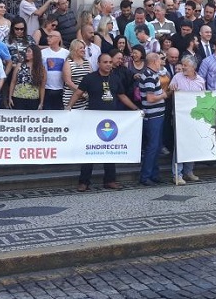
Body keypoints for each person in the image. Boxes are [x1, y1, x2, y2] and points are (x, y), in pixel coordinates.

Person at [68, 53, 137, 191]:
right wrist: (69, 106)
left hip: (111, 120)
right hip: (93, 119)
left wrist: (135, 109)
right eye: (105, 62)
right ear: (98, 63)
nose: (108, 64)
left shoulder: (116, 78)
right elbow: (78, 92)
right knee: (89, 150)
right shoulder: (90, 78)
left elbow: (121, 95)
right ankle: (84, 181)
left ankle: (110, 180)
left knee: (110, 151)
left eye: (110, 62)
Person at [168, 55, 206, 184]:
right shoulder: (177, 77)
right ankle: (177, 174)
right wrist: (171, 88)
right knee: (179, 145)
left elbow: (204, 98)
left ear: (193, 67)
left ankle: (188, 171)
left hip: (194, 118)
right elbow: (170, 89)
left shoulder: (201, 80)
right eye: (182, 65)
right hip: (180, 118)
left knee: (193, 145)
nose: (183, 67)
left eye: (185, 65)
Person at [139, 52, 168, 186]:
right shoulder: (149, 76)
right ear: (154, 61)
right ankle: (146, 176)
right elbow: (150, 98)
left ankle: (154, 174)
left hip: (157, 115)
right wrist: (164, 95)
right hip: (153, 116)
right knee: (152, 146)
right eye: (160, 59)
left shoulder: (152, 75)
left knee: (155, 146)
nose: (162, 62)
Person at [9, 44, 46, 110]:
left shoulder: (41, 69)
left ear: (35, 53)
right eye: (26, 51)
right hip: (18, 97)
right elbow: (13, 81)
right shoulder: (19, 65)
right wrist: (10, 97)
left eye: (29, 51)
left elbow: (42, 86)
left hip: (33, 99)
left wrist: (41, 102)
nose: (26, 53)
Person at [40, 32, 69, 110]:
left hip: (61, 88)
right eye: (48, 36)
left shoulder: (66, 53)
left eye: (51, 36)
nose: (48, 38)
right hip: (46, 88)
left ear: (58, 38)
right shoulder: (42, 53)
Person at [62, 39, 92, 109]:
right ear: (74, 49)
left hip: (85, 100)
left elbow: (91, 78)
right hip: (71, 96)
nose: (83, 50)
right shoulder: (68, 63)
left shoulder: (87, 62)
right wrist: (81, 93)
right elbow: (68, 82)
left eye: (84, 48)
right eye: (81, 48)